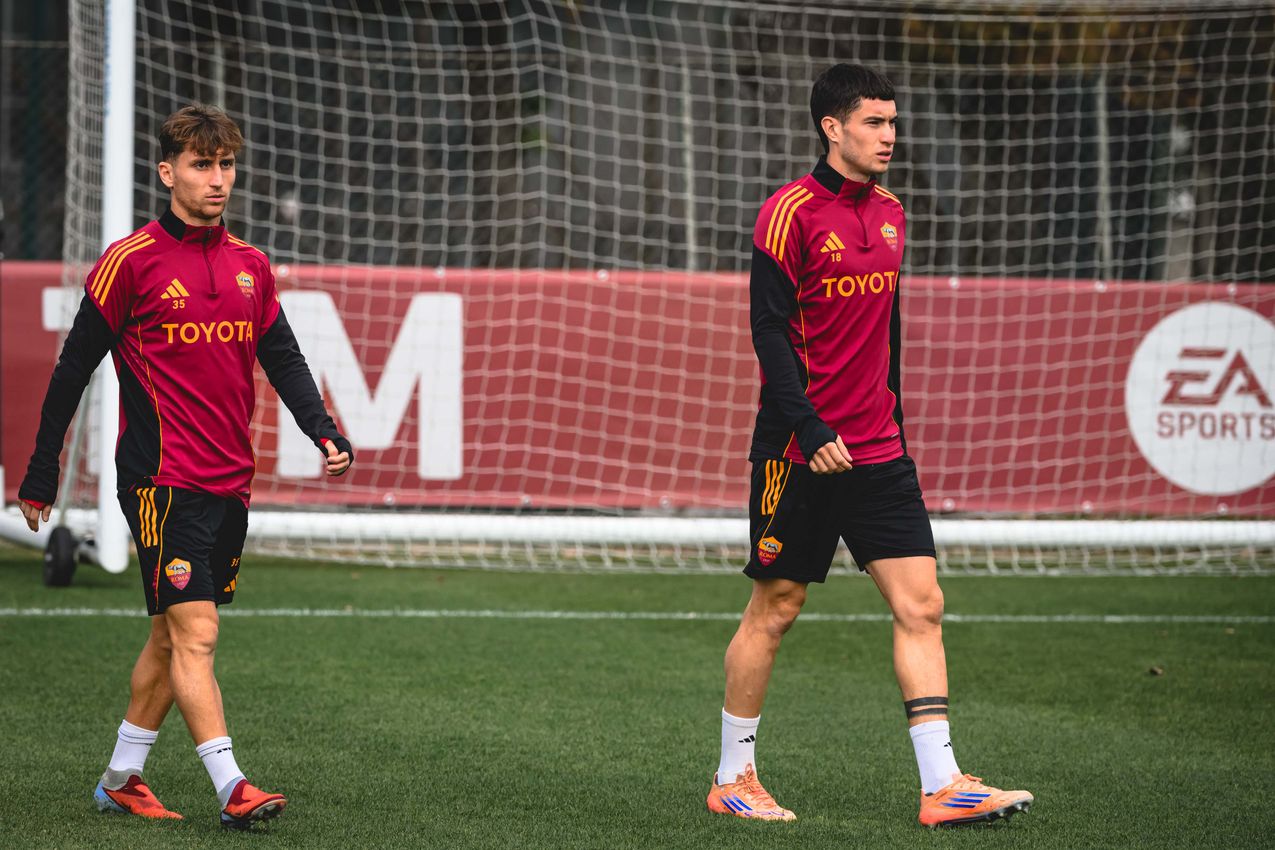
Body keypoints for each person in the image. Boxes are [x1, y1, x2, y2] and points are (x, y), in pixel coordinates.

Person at [705, 65, 1033, 827]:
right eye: (874, 123)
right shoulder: (787, 213)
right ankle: (732, 777)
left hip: (879, 450)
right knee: (776, 608)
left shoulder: (891, 213)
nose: (889, 136)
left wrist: (890, 421)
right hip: (799, 450)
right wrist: (810, 427)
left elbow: (884, 330)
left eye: (892, 122)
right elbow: (769, 334)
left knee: (922, 605)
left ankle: (942, 783)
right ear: (832, 127)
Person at [17, 103, 353, 829]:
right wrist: (42, 472)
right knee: (197, 633)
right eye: (202, 165)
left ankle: (120, 779)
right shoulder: (129, 262)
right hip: (159, 482)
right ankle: (233, 786)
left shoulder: (250, 266)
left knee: (169, 638)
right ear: (168, 172)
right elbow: (72, 369)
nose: (217, 179)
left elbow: (283, 359)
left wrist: (323, 430)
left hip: (230, 482)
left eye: (226, 164)